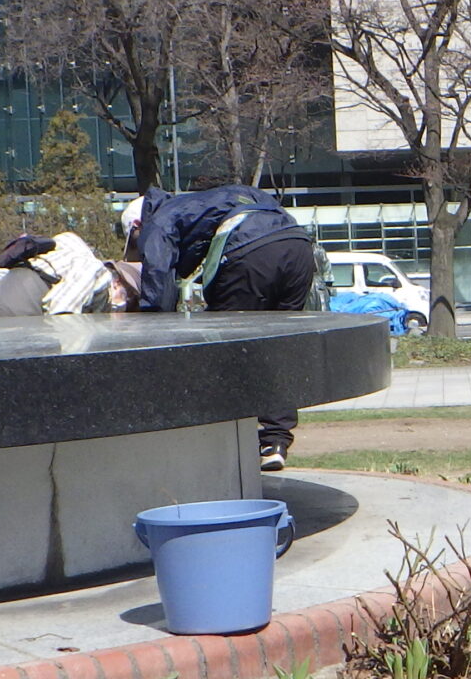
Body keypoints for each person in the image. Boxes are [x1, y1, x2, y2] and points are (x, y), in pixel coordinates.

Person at [122, 186, 323, 472]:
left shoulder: (159, 218)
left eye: (136, 245)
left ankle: (222, 438)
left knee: (226, 346)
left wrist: (154, 332)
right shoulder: (208, 201)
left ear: (137, 226)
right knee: (280, 347)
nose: (139, 252)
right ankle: (274, 440)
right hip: (298, 246)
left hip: (250, 251)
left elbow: (158, 280)